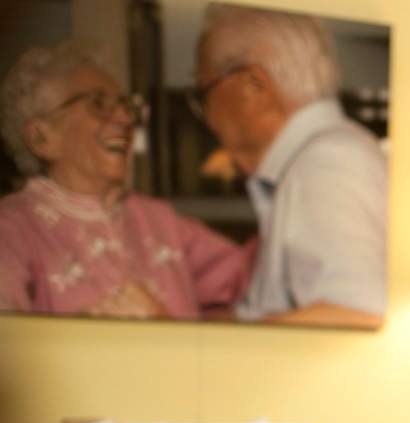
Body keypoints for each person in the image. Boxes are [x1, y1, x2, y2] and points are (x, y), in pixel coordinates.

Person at [0, 42, 252, 320]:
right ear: (41, 138)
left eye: (126, 106)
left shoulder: (158, 220)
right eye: (99, 104)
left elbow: (252, 281)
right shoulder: (12, 229)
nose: (124, 119)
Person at [193, 4, 388, 328]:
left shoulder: (326, 165)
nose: (205, 114)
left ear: (255, 85)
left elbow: (355, 314)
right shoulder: (317, 159)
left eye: (204, 93)